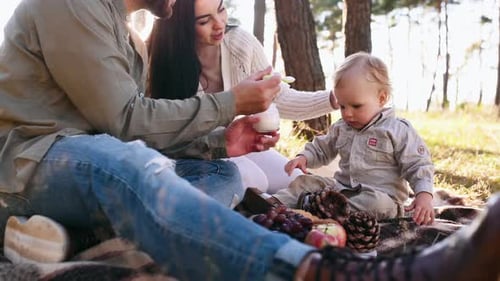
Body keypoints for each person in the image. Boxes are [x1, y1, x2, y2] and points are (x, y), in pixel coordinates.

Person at [1, 1, 499, 281]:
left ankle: (88, 233)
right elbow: (125, 121)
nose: (215, 19)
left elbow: (135, 127)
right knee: (132, 165)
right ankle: (315, 271)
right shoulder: (71, 5)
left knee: (219, 173)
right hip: (35, 160)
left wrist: (221, 143)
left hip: (88, 160)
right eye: (203, 14)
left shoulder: (123, 29)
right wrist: (232, 104)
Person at [147, 0, 339, 194]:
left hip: (235, 145)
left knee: (301, 184)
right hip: (194, 154)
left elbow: (278, 98)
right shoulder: (162, 63)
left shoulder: (240, 44)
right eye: (204, 21)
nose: (220, 24)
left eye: (221, 9)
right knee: (253, 179)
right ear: (181, 26)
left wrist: (332, 99)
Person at [276, 52, 435, 225]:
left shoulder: (397, 130)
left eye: (356, 106)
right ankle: (274, 203)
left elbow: (418, 164)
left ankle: (318, 210)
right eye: (342, 106)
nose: (347, 113)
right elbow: (322, 147)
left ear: (382, 98)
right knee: (307, 181)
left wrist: (424, 195)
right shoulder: (341, 127)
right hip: (342, 189)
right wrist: (304, 157)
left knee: (376, 204)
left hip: (382, 197)